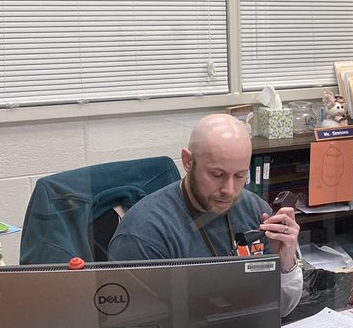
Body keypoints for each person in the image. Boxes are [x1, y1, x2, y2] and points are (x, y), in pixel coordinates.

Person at [108, 113, 303, 316]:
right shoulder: (142, 236)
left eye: (239, 176)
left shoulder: (255, 209)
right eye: (217, 175)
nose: (229, 190)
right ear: (188, 161)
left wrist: (286, 262)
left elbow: (281, 310)